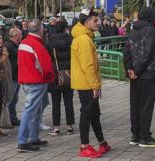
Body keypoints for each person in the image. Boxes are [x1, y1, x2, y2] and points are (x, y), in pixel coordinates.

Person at [71, 9, 111, 158]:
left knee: (94, 114)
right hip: (86, 84)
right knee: (87, 114)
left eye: (98, 19)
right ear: (86, 22)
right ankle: (84, 146)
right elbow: (88, 65)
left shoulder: (84, 36)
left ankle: (102, 142)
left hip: (86, 82)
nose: (98, 22)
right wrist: (95, 85)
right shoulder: (84, 39)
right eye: (95, 20)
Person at [123, 7, 155, 148]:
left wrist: (129, 69)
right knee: (146, 105)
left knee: (135, 104)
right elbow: (148, 52)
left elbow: (126, 50)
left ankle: (135, 134)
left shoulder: (133, 31)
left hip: (135, 75)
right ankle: (145, 136)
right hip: (148, 73)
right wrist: (137, 71)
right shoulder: (152, 31)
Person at [17, 20, 55, 152]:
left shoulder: (24, 42)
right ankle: (22, 141)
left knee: (35, 110)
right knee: (30, 111)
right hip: (36, 81)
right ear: (40, 29)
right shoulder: (37, 45)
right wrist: (50, 78)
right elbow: (46, 65)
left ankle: (33, 138)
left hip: (27, 80)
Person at [47, 19, 75, 136]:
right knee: (69, 101)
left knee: (56, 102)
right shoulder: (71, 39)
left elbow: (48, 56)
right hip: (69, 72)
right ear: (65, 28)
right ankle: (69, 126)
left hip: (55, 73)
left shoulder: (50, 40)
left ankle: (56, 127)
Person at [5, 28, 22, 127]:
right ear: (15, 35)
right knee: (10, 99)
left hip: (17, 76)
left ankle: (12, 118)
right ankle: (6, 120)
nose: (21, 36)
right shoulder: (9, 45)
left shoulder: (17, 45)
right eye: (20, 35)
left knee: (14, 99)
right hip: (11, 77)